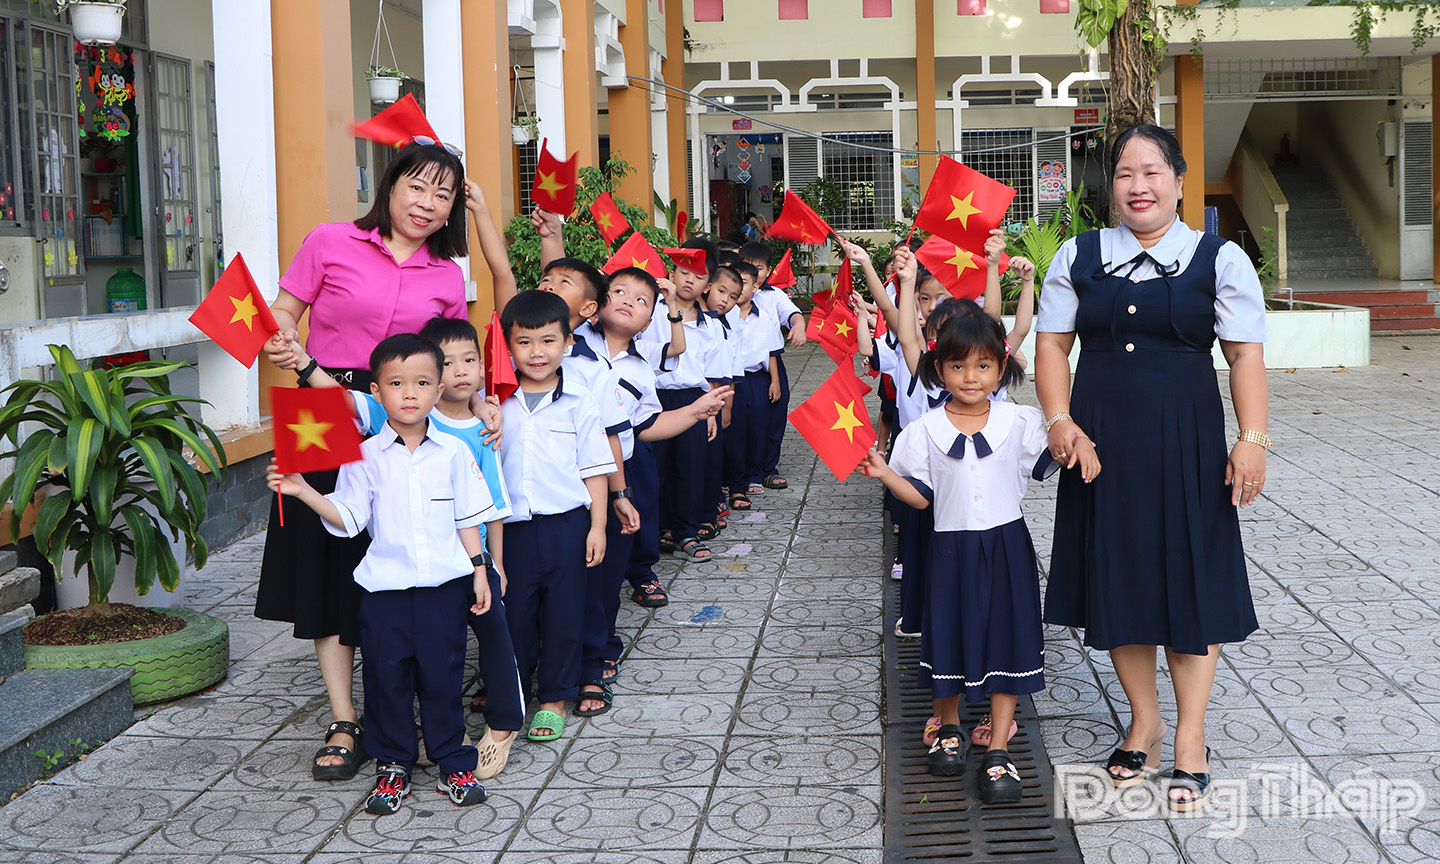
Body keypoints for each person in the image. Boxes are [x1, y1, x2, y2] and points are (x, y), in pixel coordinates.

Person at [1035, 124, 1268, 812]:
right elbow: (1051, 347)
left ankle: (1191, 735)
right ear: (1111, 185)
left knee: (1192, 583)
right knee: (1121, 581)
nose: (1138, 187)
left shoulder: (1219, 259)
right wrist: (1059, 420)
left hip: (1189, 443)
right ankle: (1146, 722)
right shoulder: (1079, 256)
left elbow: (1244, 354)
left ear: (1178, 179)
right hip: (1100, 447)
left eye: (1152, 172)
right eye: (1124, 174)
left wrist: (1252, 438)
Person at [256, 140, 503, 783]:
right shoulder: (330, 241)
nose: (427, 204)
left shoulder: (445, 274)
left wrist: (481, 401)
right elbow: (284, 310)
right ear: (389, 185)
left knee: (402, 548)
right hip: (320, 404)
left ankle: (404, 706)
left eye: (442, 194)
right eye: (416, 186)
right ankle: (345, 720)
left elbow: (452, 358)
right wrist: (282, 333)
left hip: (405, 415)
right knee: (327, 563)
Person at [279, 320, 525, 781]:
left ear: (437, 389)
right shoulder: (367, 452)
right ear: (378, 392)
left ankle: (466, 749)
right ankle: (394, 763)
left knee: (447, 668)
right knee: (386, 674)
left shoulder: (458, 447)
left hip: (449, 578)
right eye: (396, 384)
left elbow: (472, 514)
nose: (409, 394)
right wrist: (304, 491)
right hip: (387, 591)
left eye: (422, 383)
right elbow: (349, 516)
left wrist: (483, 566)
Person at [861, 309, 1089, 804]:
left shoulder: (1020, 421)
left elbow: (1054, 457)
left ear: (1002, 368)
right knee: (947, 632)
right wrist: (885, 474)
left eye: (983, 366)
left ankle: (1000, 746)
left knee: (1008, 635)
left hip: (1007, 548)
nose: (971, 377)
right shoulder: (923, 430)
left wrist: (1077, 436)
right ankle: (949, 727)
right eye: (958, 366)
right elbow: (921, 499)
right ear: (938, 369)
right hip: (948, 549)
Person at [574, 268, 730, 717]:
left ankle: (598, 650)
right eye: (619, 291)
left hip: (614, 478)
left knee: (606, 572)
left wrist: (696, 411)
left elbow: (646, 426)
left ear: (648, 321)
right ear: (597, 303)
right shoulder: (570, 345)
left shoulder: (642, 369)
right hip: (563, 479)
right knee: (562, 572)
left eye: (642, 300)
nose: (628, 300)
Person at [495, 290, 614, 743]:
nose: (537, 352)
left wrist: (598, 526)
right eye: (524, 342)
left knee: (565, 614)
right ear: (508, 345)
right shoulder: (494, 403)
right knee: (515, 613)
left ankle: (554, 699)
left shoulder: (579, 401)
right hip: (512, 530)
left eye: (548, 340)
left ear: (568, 342)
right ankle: (513, 691)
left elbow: (594, 469)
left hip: (568, 526)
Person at [640, 238, 724, 563]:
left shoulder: (711, 325)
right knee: (655, 467)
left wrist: (711, 412)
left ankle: (686, 531)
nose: (689, 280)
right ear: (671, 274)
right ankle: (661, 528)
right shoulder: (650, 311)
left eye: (698, 276)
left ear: (708, 285)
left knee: (690, 467)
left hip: (694, 399)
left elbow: (714, 374)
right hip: (654, 397)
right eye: (683, 272)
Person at [738, 241, 807, 491]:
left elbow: (793, 314)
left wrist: (799, 325)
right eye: (747, 266)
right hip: (737, 371)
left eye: (759, 268)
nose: (753, 272)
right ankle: (743, 473)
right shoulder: (730, 297)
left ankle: (768, 469)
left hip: (770, 366)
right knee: (743, 423)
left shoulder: (773, 295)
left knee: (774, 417)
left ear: (769, 270)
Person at [700, 265, 744, 533]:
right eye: (721, 291)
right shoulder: (689, 320)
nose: (725, 300)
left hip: (714, 402)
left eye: (733, 297)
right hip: (689, 399)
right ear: (708, 287)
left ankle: (710, 504)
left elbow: (728, 373)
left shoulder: (723, 327)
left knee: (711, 457)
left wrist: (724, 408)